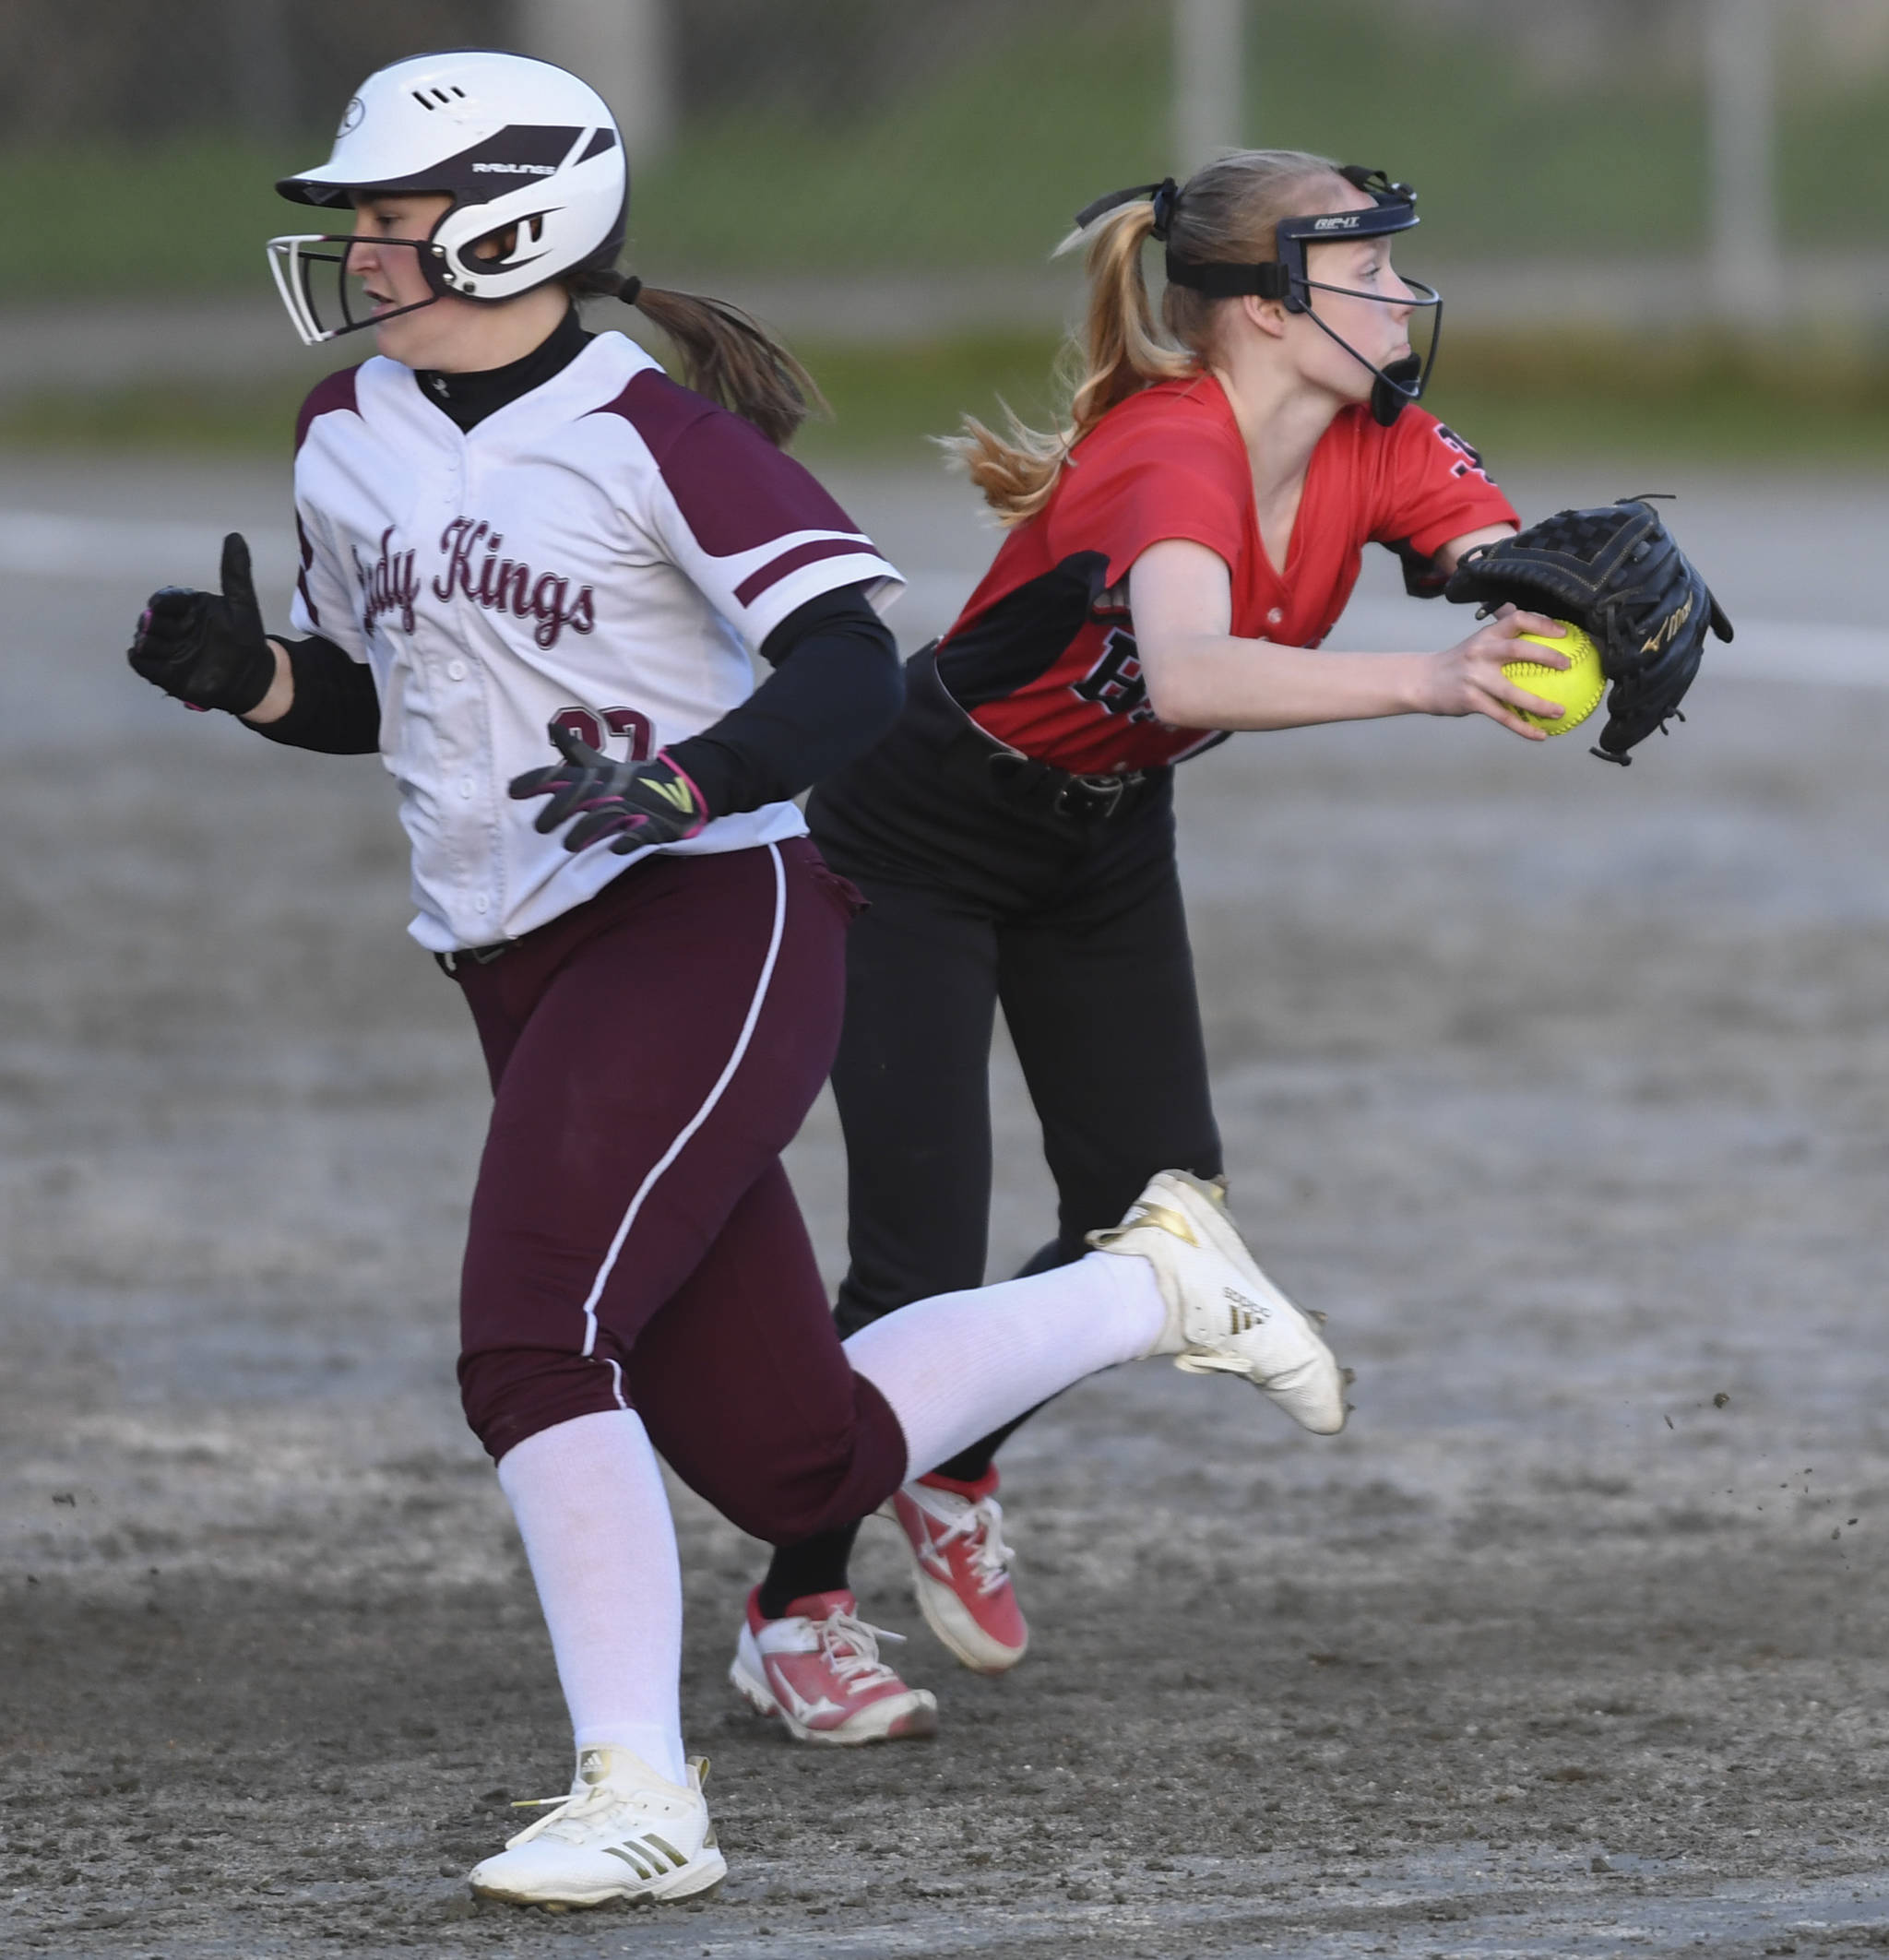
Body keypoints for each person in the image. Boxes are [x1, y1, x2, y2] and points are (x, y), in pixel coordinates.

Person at [125, 53, 1348, 1909]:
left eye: (390, 216)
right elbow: (399, 699)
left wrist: (687, 783)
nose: (361, 249)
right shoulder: (344, 428)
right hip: (510, 951)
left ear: (520, 218)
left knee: (534, 1337)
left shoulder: (654, 432)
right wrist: (258, 681)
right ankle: (1151, 1283)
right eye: (359, 220)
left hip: (706, 917)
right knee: (794, 1448)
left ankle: (643, 1795)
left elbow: (848, 673)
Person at [740, 151, 1570, 1721]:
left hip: (1104, 837)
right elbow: (1187, 675)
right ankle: (794, 1611)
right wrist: (1435, 677)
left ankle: (953, 1449)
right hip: (914, 830)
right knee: (915, 1262)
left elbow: (1492, 555)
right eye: (1367, 267)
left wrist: (1573, 602)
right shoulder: (1163, 448)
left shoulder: (1371, 433)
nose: (1402, 291)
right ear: (1263, 309)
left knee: (1155, 1212)